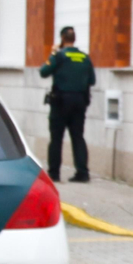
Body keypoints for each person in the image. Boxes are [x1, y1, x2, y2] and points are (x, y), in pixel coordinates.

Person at [40, 25, 93, 183]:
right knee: (78, 137)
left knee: (56, 138)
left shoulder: (59, 55)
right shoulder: (85, 57)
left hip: (60, 102)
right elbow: (92, 80)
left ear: (62, 39)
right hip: (80, 102)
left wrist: (53, 52)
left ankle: (54, 174)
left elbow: (44, 71)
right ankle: (82, 173)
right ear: (74, 39)